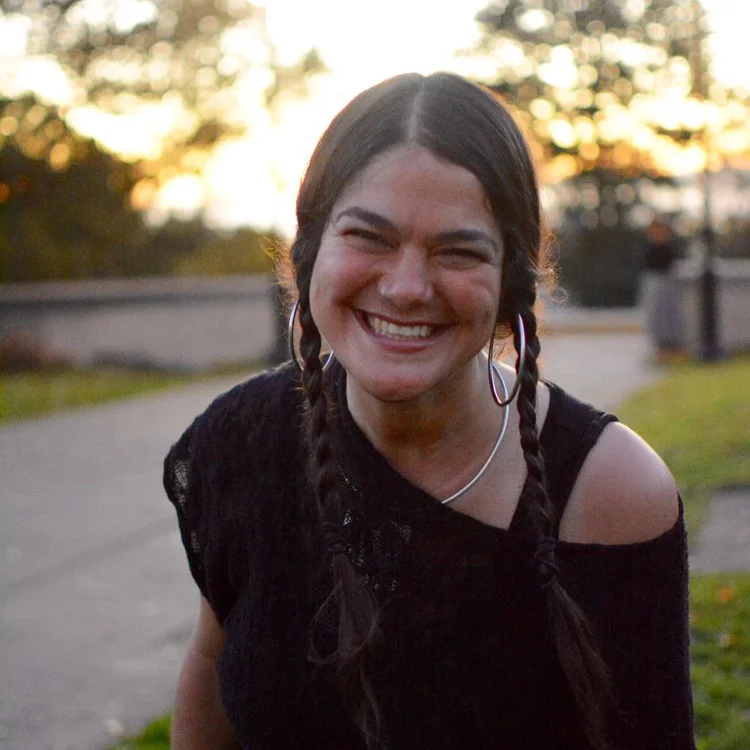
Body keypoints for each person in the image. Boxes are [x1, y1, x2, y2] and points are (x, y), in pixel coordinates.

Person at [163, 72, 695, 750]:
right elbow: (213, 661)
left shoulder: (610, 491)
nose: (408, 288)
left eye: (459, 250)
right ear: (311, 250)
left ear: (511, 281)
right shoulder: (238, 441)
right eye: (370, 237)